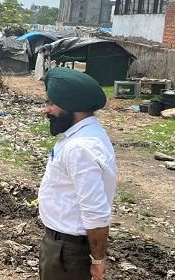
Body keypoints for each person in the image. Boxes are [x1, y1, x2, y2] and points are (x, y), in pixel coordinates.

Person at [37, 67, 117, 280]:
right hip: (64, 248)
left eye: (51, 103)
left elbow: (95, 212)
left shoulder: (81, 147)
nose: (46, 110)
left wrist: (98, 261)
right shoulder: (86, 136)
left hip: (67, 252)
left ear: (72, 106)